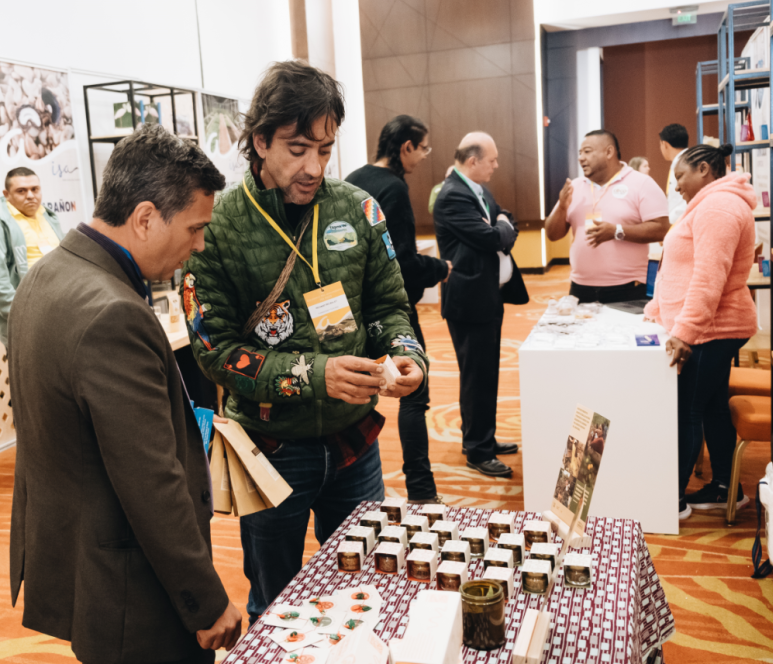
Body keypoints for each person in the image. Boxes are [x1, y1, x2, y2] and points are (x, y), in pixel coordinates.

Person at [183, 60, 427, 623]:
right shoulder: (217, 227)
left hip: (354, 441)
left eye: (325, 149)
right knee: (276, 605)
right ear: (260, 141)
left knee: (368, 589)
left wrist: (406, 354)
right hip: (270, 449)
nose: (314, 167)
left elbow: (390, 307)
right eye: (297, 149)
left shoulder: (358, 210)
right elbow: (215, 352)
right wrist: (317, 375)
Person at [8, 125, 241, 664]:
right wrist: (206, 603)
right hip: (132, 586)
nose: (200, 245)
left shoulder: (45, 276)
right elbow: (150, 481)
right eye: (195, 228)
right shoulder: (113, 314)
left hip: (77, 557)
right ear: (145, 218)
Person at [643, 143, 757, 520]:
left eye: (680, 176)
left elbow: (709, 279)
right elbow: (681, 269)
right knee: (710, 407)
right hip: (708, 326)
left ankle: (671, 499)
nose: (676, 185)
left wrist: (685, 333)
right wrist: (657, 311)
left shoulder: (718, 207)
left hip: (711, 328)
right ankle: (726, 488)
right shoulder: (711, 204)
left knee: (686, 410)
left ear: (704, 170)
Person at [344, 115, 450, 504]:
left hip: (351, 309)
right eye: (423, 148)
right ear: (406, 147)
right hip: (390, 310)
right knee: (413, 388)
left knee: (354, 396)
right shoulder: (394, 188)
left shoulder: (353, 178)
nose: (423, 157)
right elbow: (402, 262)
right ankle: (421, 490)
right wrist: (440, 268)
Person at [433, 132, 529, 478]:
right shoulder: (452, 196)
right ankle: (478, 450)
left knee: (486, 374)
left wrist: (501, 224)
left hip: (486, 296)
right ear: (473, 161)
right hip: (469, 301)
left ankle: (481, 438)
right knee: (477, 377)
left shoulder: (476, 188)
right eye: (492, 159)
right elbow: (492, 237)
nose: (497, 165)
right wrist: (501, 227)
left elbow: (503, 217)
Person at [544, 129, 670, 303]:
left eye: (587, 152)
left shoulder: (641, 183)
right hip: (580, 288)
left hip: (627, 288)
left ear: (609, 152)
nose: (581, 158)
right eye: (580, 153)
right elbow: (552, 234)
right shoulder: (574, 186)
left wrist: (616, 231)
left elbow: (662, 229)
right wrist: (562, 207)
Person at [0, 168, 64, 344]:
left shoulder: (48, 217)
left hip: (59, 313)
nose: (30, 196)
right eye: (21, 191)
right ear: (6, 194)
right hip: (27, 320)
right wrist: (20, 314)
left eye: (35, 189)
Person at [659, 123, 690, 224]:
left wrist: (669, 224)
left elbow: (685, 202)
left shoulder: (684, 164)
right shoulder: (683, 160)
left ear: (665, 144)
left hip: (681, 222)